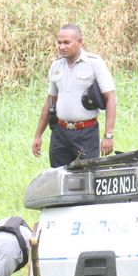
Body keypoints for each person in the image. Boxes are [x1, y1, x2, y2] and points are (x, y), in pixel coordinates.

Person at [32, 24, 117, 168]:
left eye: (66, 42)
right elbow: (50, 101)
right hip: (60, 132)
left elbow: (110, 99)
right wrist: (38, 135)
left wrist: (108, 135)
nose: (61, 47)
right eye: (59, 42)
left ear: (80, 42)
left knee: (87, 177)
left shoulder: (94, 63)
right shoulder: (56, 66)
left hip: (86, 133)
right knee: (60, 176)